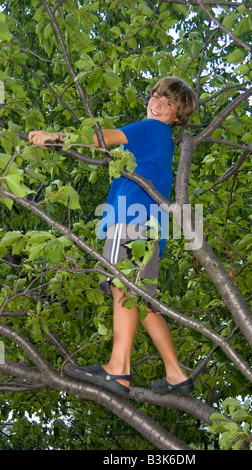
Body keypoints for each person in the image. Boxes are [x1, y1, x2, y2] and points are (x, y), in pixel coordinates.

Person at [29, 76, 197, 399]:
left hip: (129, 219)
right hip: (150, 230)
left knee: (122, 286)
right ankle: (176, 374)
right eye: (156, 96)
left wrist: (55, 137)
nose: (157, 104)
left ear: (177, 116)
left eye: (168, 103)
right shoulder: (164, 142)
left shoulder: (150, 129)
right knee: (142, 302)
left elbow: (103, 138)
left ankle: (118, 368)